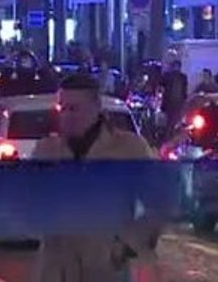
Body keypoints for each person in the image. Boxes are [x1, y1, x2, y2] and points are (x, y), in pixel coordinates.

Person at [32, 74, 160, 282]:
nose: (67, 116)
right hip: (56, 270)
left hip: (107, 269)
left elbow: (158, 201)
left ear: (96, 107)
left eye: (74, 109)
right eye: (62, 109)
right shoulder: (47, 150)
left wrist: (127, 246)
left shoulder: (128, 148)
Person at [160, 60, 188, 133]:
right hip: (175, 103)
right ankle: (170, 133)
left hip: (173, 102)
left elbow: (161, 85)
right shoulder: (181, 77)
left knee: (171, 120)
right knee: (173, 120)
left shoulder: (169, 76)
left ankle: (169, 134)